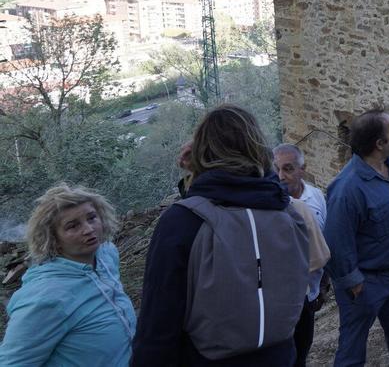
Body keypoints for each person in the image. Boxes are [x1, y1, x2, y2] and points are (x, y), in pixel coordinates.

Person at [132, 105, 310, 366]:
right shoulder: (288, 214)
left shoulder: (181, 221)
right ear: (260, 150)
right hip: (280, 355)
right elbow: (299, 301)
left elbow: (158, 322)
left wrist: (198, 174)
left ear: (202, 153)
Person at [323, 109, 389, 367]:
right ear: (379, 144)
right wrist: (354, 282)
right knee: (352, 350)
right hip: (368, 283)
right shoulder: (347, 188)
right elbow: (336, 240)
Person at [0, 184, 137, 366]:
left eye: (92, 217)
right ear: (52, 238)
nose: (88, 229)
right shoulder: (45, 298)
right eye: (72, 226)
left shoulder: (106, 254)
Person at [274, 143, 330, 367]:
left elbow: (325, 242)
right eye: (276, 169)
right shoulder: (270, 205)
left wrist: (322, 286)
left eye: (288, 169)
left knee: (302, 351)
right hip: (282, 298)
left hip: (309, 296)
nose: (281, 176)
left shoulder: (317, 198)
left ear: (302, 169)